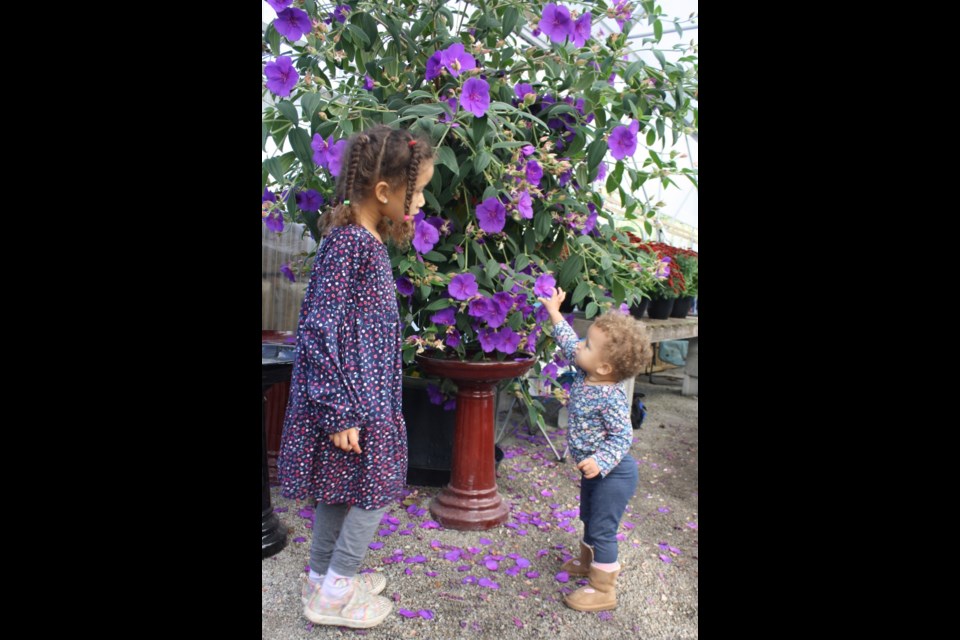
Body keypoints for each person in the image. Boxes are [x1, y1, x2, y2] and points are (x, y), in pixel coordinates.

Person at [278, 125, 435, 628]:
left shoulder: (362, 243)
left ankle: (322, 576)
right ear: (385, 191)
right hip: (353, 404)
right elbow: (318, 330)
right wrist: (338, 409)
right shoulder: (350, 246)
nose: (424, 200)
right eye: (421, 188)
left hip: (364, 399)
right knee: (374, 492)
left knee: (340, 489)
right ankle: (335, 591)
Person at [536, 286, 652, 612]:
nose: (579, 348)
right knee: (588, 516)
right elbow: (570, 344)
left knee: (603, 528)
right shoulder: (588, 374)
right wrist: (554, 311)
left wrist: (600, 461)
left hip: (613, 472)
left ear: (604, 367)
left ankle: (604, 589)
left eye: (588, 345)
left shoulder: (611, 396)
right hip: (595, 468)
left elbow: (622, 437)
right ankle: (589, 563)